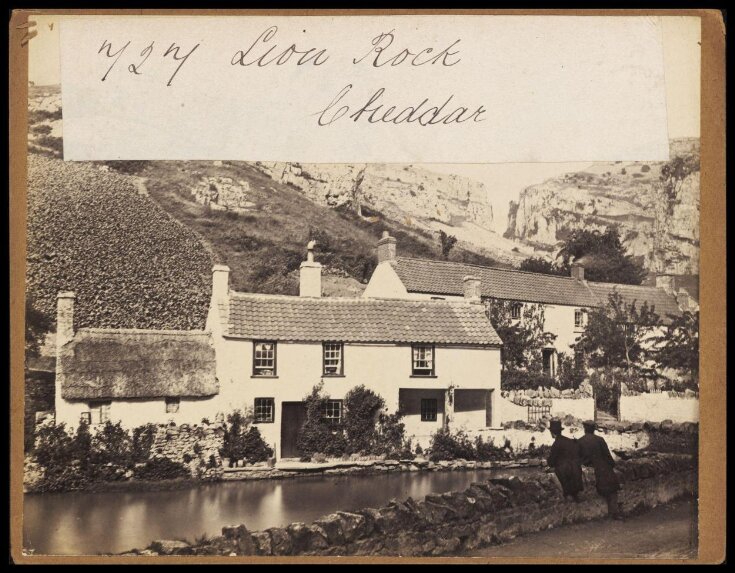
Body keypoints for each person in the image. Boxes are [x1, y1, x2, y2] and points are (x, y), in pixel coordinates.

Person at [578, 419, 623, 520]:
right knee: (612, 486)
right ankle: (614, 512)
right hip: (602, 467)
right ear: (594, 429)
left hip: (590, 467)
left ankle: (610, 512)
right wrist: (611, 464)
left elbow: (578, 458)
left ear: (585, 429)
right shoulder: (599, 440)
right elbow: (607, 456)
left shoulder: (580, 441)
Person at [546, 419, 584, 501]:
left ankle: (567, 496)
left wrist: (548, 462)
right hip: (576, 469)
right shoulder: (569, 440)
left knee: (556, 470)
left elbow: (551, 462)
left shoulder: (556, 444)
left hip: (565, 472)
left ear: (552, 432)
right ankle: (575, 496)